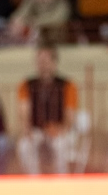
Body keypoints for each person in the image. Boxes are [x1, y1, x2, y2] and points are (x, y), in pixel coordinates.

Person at [16, 44, 87, 175]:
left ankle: (61, 179)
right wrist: (27, 130)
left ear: (54, 63)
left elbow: (70, 113)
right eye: (40, 62)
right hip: (36, 130)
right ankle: (34, 180)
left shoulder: (68, 85)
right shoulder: (26, 85)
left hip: (59, 130)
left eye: (46, 61)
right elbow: (23, 111)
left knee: (60, 145)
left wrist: (61, 129)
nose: (43, 65)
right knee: (24, 146)